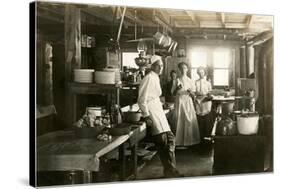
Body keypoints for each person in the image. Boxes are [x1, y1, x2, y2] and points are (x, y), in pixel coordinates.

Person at [138, 55, 181, 178]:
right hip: (152, 111)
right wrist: (146, 115)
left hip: (158, 110)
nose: (160, 68)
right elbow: (142, 99)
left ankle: (170, 170)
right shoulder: (149, 78)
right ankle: (170, 171)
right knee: (163, 141)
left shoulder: (155, 77)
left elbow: (155, 95)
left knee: (170, 139)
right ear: (152, 66)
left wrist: (161, 104)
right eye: (158, 65)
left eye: (162, 66)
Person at [172, 62, 200, 147]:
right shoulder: (177, 80)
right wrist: (177, 88)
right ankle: (178, 142)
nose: (183, 70)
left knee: (188, 120)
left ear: (187, 69)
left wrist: (190, 92)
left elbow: (194, 95)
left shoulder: (190, 81)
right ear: (179, 70)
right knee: (179, 120)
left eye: (185, 68)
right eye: (181, 68)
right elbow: (173, 93)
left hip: (187, 101)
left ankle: (189, 141)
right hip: (179, 101)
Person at [195, 67, 213, 141]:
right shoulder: (195, 82)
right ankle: (200, 136)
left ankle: (207, 135)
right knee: (199, 118)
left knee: (207, 118)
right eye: (199, 72)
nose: (201, 74)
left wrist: (209, 96)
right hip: (198, 100)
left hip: (206, 100)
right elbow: (194, 92)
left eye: (202, 72)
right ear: (198, 73)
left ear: (204, 73)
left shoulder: (208, 83)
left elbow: (209, 93)